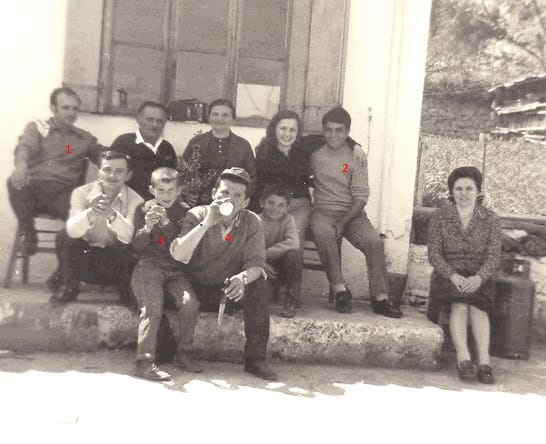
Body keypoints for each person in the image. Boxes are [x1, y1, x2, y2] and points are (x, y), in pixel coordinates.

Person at [170, 167, 277, 381]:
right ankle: (178, 353)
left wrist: (242, 278)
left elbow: (257, 264)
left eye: (237, 195)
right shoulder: (197, 215)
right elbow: (179, 255)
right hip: (193, 285)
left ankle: (256, 360)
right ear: (214, 194)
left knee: (260, 285)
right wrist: (207, 223)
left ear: (245, 202)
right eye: (225, 192)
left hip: (225, 289)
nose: (230, 199)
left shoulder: (251, 222)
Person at [253, 110, 365, 308]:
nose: (287, 134)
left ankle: (292, 295)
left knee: (294, 238)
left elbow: (336, 136)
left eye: (292, 130)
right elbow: (259, 187)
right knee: (263, 235)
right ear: (274, 129)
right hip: (273, 206)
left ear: (298, 132)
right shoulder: (263, 152)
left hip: (299, 205)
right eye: (283, 129)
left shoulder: (304, 147)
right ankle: (267, 284)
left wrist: (356, 145)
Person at [310, 106, 402, 318]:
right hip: (323, 211)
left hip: (353, 214)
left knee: (374, 242)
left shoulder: (355, 157)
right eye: (328, 130)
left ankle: (380, 298)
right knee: (324, 234)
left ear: (348, 132)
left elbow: (361, 196)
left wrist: (343, 223)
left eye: (339, 130)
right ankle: (340, 291)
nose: (333, 135)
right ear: (323, 130)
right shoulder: (313, 153)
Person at [7, 87, 105, 255]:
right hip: (34, 192)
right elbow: (25, 146)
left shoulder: (84, 138)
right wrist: (21, 165)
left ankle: (65, 267)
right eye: (66, 108)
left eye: (75, 108)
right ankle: (29, 234)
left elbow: (101, 154)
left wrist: (115, 158)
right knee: (14, 182)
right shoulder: (38, 128)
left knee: (83, 228)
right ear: (53, 108)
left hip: (64, 194)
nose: (71, 113)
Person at [427, 166, 501, 384]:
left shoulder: (490, 219)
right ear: (452, 192)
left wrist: (479, 278)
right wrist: (453, 276)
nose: (464, 193)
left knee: (478, 307)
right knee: (460, 303)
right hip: (448, 275)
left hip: (479, 276)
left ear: (478, 191)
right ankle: (464, 358)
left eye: (469, 188)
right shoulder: (440, 217)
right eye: (459, 188)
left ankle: (484, 361)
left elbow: (494, 256)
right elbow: (434, 254)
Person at [130, 167, 200, 381]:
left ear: (179, 191)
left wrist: (167, 223)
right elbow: (136, 246)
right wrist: (147, 228)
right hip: (148, 267)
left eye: (171, 190)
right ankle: (144, 363)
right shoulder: (143, 209)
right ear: (152, 190)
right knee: (152, 308)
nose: (166, 195)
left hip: (174, 269)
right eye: (160, 190)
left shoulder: (186, 212)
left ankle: (184, 354)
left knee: (190, 304)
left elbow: (180, 245)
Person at [50, 151, 143, 304]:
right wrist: (91, 212)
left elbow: (128, 236)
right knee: (64, 236)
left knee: (131, 242)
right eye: (107, 170)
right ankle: (70, 287)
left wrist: (111, 214)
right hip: (85, 261)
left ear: (128, 176)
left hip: (114, 263)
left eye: (119, 171)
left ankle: (125, 291)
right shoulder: (81, 193)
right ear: (98, 172)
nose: (112, 176)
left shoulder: (136, 200)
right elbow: (72, 231)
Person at [181, 99, 256, 205]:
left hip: (231, 202)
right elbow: (183, 172)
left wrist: (240, 198)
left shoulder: (243, 146)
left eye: (225, 115)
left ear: (232, 119)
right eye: (215, 114)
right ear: (209, 117)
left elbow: (252, 178)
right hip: (199, 202)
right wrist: (187, 193)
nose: (219, 118)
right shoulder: (197, 142)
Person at [110, 101, 178, 200]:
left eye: (160, 121)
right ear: (138, 119)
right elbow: (112, 179)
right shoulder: (123, 143)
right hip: (128, 202)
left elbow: (173, 182)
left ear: (164, 123)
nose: (154, 125)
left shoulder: (167, 148)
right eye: (150, 119)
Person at [257, 183, 301, 318]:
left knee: (294, 255)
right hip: (259, 267)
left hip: (280, 267)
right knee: (261, 299)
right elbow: (249, 248)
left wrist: (265, 254)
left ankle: (291, 301)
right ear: (262, 203)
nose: (275, 209)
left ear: (287, 208)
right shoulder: (255, 220)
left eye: (281, 205)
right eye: (271, 203)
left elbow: (293, 243)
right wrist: (262, 263)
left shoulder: (288, 220)